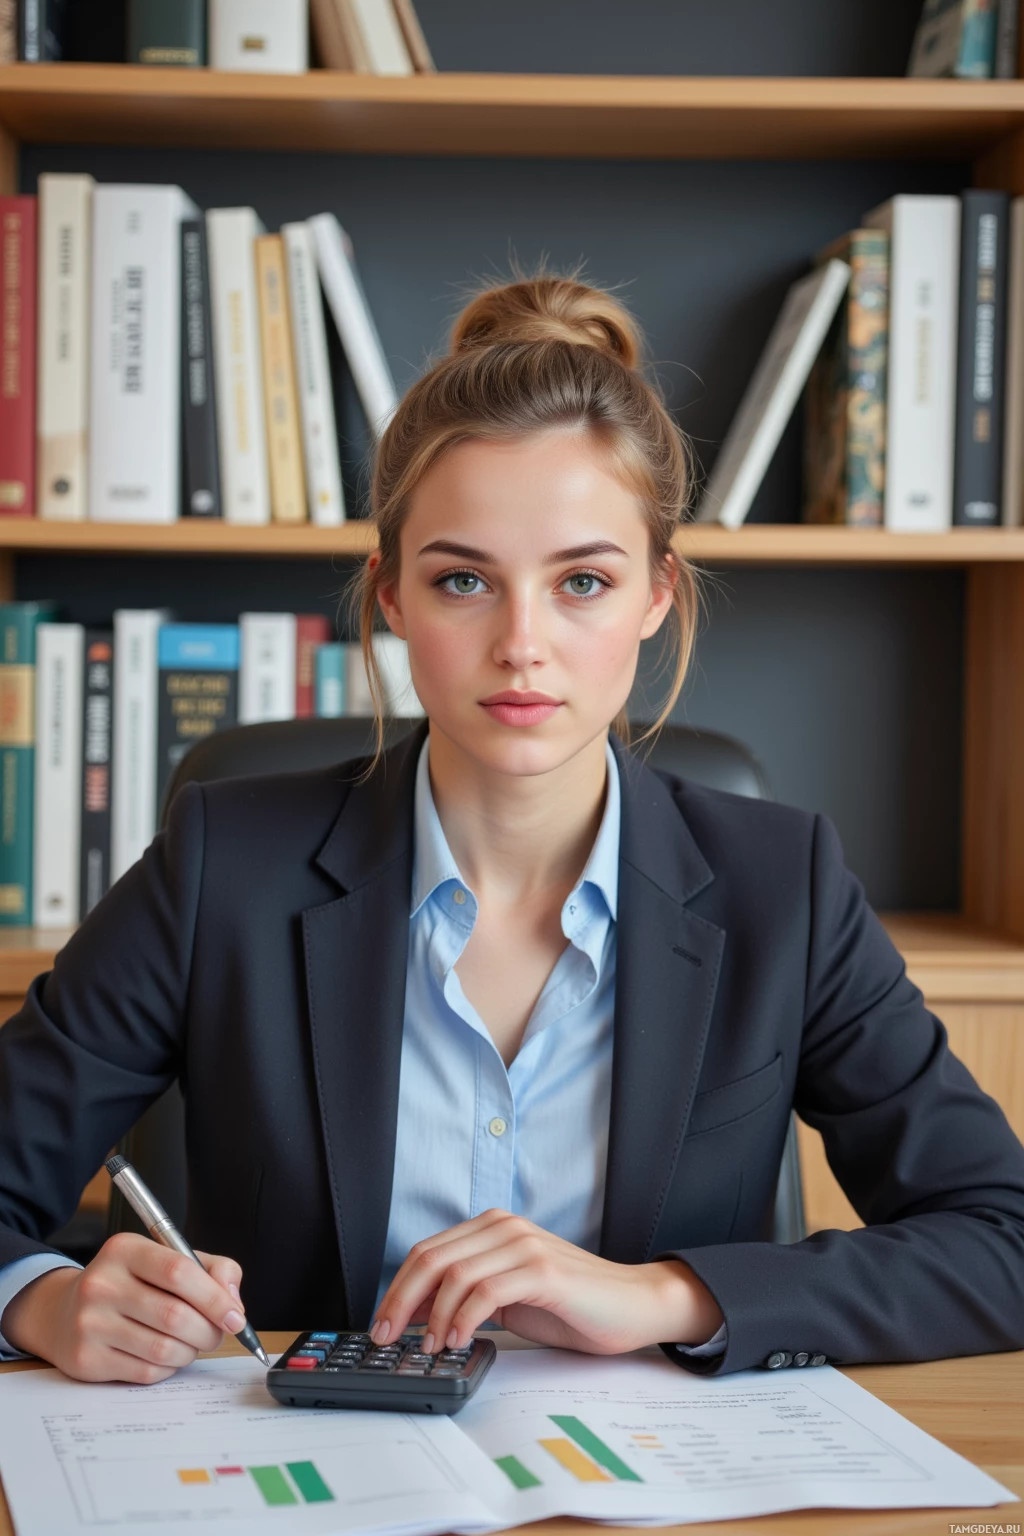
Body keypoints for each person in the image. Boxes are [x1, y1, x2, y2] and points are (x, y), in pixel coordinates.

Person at [1, 269, 1022, 1386]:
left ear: (655, 597)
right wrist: (44, 1303)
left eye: (581, 581)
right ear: (389, 596)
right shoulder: (220, 868)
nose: (522, 643)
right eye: (463, 582)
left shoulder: (787, 887)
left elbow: (1001, 1239)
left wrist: (662, 1295)